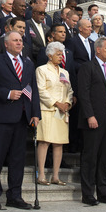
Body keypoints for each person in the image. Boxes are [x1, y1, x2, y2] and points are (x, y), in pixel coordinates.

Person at [0, 31, 40, 210]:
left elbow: (33, 90)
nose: (19, 43)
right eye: (15, 40)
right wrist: (7, 94)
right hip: (2, 116)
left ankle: (15, 195)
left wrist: (35, 113)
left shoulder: (28, 64)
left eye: (21, 40)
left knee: (17, 159)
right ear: (6, 44)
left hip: (22, 118)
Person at [77, 37, 106, 206]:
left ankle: (104, 192)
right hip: (95, 117)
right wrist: (89, 115)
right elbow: (83, 93)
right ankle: (88, 193)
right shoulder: (87, 67)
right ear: (98, 50)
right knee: (90, 156)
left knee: (105, 157)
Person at [35, 41, 73, 186]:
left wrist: (67, 103)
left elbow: (69, 91)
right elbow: (41, 90)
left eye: (61, 54)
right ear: (50, 55)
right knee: (44, 141)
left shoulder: (65, 72)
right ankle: (42, 175)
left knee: (59, 143)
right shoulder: (41, 70)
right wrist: (57, 103)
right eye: (58, 54)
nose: (60, 56)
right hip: (48, 109)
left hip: (62, 112)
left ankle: (55, 176)